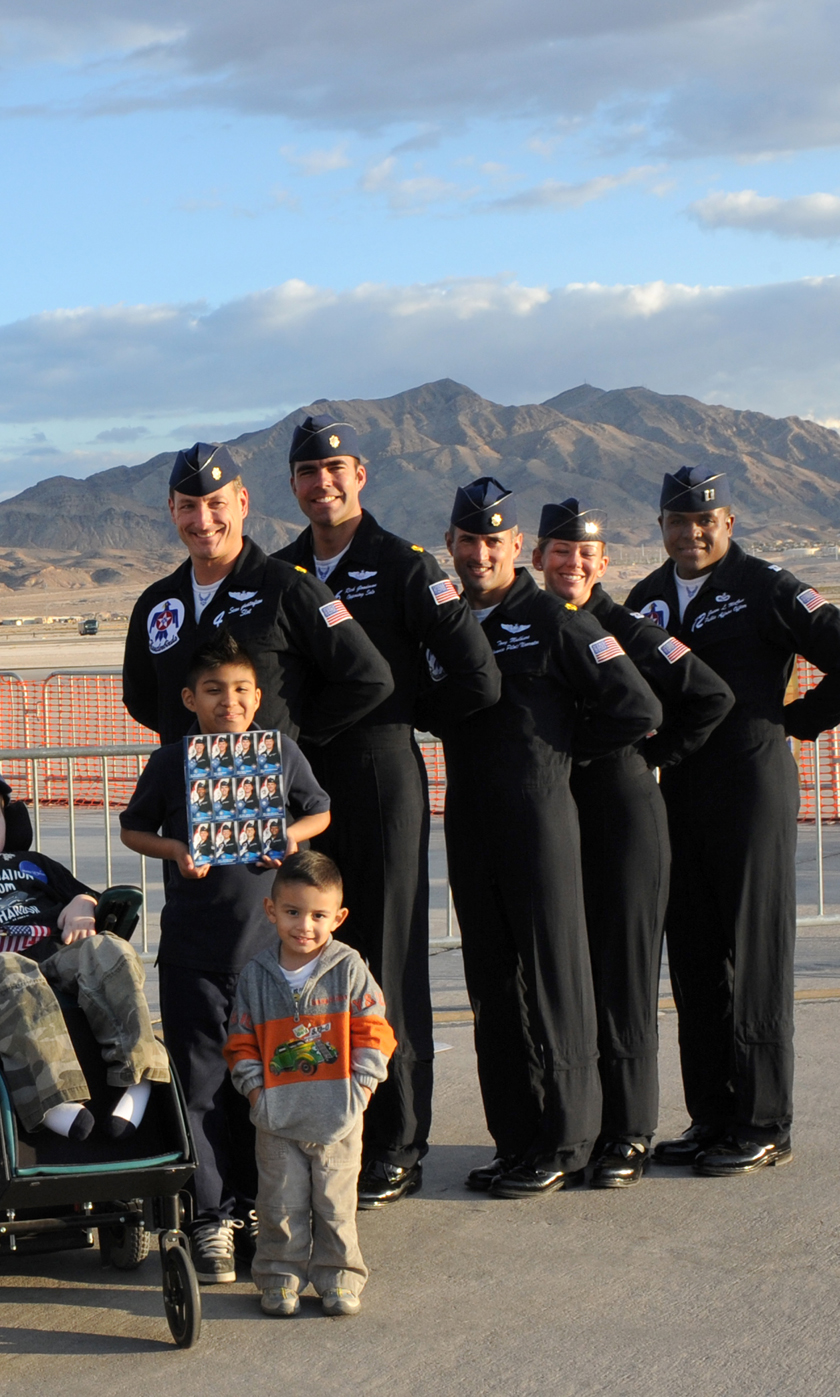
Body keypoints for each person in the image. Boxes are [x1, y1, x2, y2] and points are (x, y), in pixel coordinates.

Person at [625, 467, 840, 1176]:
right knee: (696, 958)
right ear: (661, 527)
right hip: (679, 792)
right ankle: (712, 1115)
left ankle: (765, 1121)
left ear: (728, 522)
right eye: (677, 521)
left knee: (755, 958)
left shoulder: (766, 587)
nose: (691, 532)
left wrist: (791, 722)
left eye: (704, 520)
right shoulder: (647, 598)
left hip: (750, 791)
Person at [273, 415, 501, 1208]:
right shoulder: (283, 569)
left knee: (385, 963)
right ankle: (327, 1127)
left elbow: (477, 675)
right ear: (293, 485)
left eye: (335, 469)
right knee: (309, 963)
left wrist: (404, 711)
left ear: (360, 474)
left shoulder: (402, 565)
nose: (323, 483)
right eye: (308, 472)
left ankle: (398, 1141)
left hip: (378, 779)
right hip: (304, 787)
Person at [430, 478, 660, 1199]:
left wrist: (560, 754)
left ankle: (567, 1138)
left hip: (539, 822)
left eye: (492, 542)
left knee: (556, 981)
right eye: (468, 542)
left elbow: (637, 706)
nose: (480, 554)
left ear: (515, 546)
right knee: (494, 986)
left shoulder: (554, 619)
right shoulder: (449, 623)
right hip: (471, 821)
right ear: (450, 545)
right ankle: (517, 1138)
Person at [533, 498, 735, 1187]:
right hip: (565, 818)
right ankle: (588, 1124)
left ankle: (629, 1133)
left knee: (624, 978)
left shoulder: (629, 628)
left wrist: (651, 755)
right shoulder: (537, 623)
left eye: (586, 554)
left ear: (604, 562)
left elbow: (709, 696)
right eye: (562, 551)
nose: (573, 563)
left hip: (623, 820)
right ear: (539, 556)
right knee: (578, 978)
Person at [119, 633, 331, 1285]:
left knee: (272, 1084)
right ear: (190, 699)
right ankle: (212, 1216)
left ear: (257, 697)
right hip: (194, 954)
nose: (228, 701)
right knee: (203, 1088)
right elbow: (132, 827)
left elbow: (319, 811)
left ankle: (266, 1208)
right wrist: (176, 849)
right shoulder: (173, 759)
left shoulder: (278, 753)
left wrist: (287, 837)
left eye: (240, 690)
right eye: (213, 690)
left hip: (271, 958)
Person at [0, 760, 171, 1140]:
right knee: (12, 968)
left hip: (59, 956)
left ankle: (137, 1076)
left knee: (110, 949)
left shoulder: (33, 864)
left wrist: (82, 904)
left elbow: (82, 894)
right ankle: (53, 1100)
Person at [123, 441, 392, 747]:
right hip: (185, 775)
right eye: (188, 506)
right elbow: (141, 698)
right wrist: (186, 735)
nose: (203, 521)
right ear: (172, 511)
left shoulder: (288, 589)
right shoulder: (156, 603)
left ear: (242, 503)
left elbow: (369, 678)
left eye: (216, 503)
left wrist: (288, 739)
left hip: (268, 776)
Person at [226, 850, 396, 1318]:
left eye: (319, 915)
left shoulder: (349, 968)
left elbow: (375, 1032)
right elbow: (240, 1042)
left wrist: (360, 1090)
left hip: (338, 1118)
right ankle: (280, 1278)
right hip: (276, 1120)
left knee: (336, 1207)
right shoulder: (256, 976)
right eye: (293, 912)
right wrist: (256, 1093)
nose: (305, 926)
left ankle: (339, 1277)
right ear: (271, 910)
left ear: (338, 918)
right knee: (279, 1208)